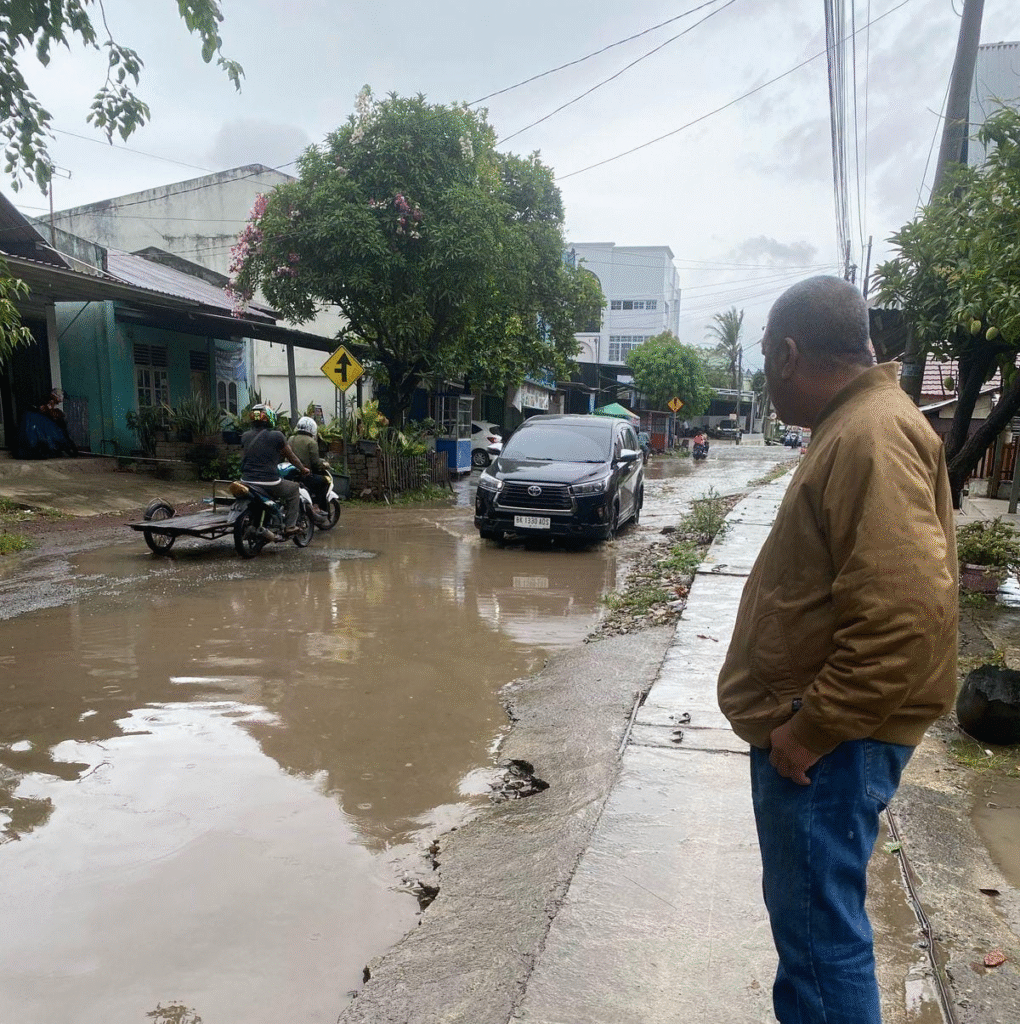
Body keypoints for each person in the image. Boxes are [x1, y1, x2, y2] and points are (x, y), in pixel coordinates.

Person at [717, 276, 957, 1024]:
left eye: (764, 357)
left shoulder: (869, 435)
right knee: (813, 944)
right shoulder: (857, 427)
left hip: (826, 746)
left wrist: (807, 732)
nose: (764, 371)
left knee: (822, 950)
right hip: (827, 739)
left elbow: (904, 617)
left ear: (788, 354)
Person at [240, 405, 309, 537]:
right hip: (269, 482)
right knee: (294, 489)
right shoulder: (277, 436)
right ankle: (290, 526)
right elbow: (292, 457)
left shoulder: (245, 436)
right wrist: (303, 469)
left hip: (246, 481)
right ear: (270, 418)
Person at [288, 416, 330, 526]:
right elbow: (315, 463)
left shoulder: (291, 438)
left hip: (290, 475)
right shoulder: (311, 442)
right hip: (304, 475)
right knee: (324, 481)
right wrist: (324, 465)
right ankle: (316, 506)